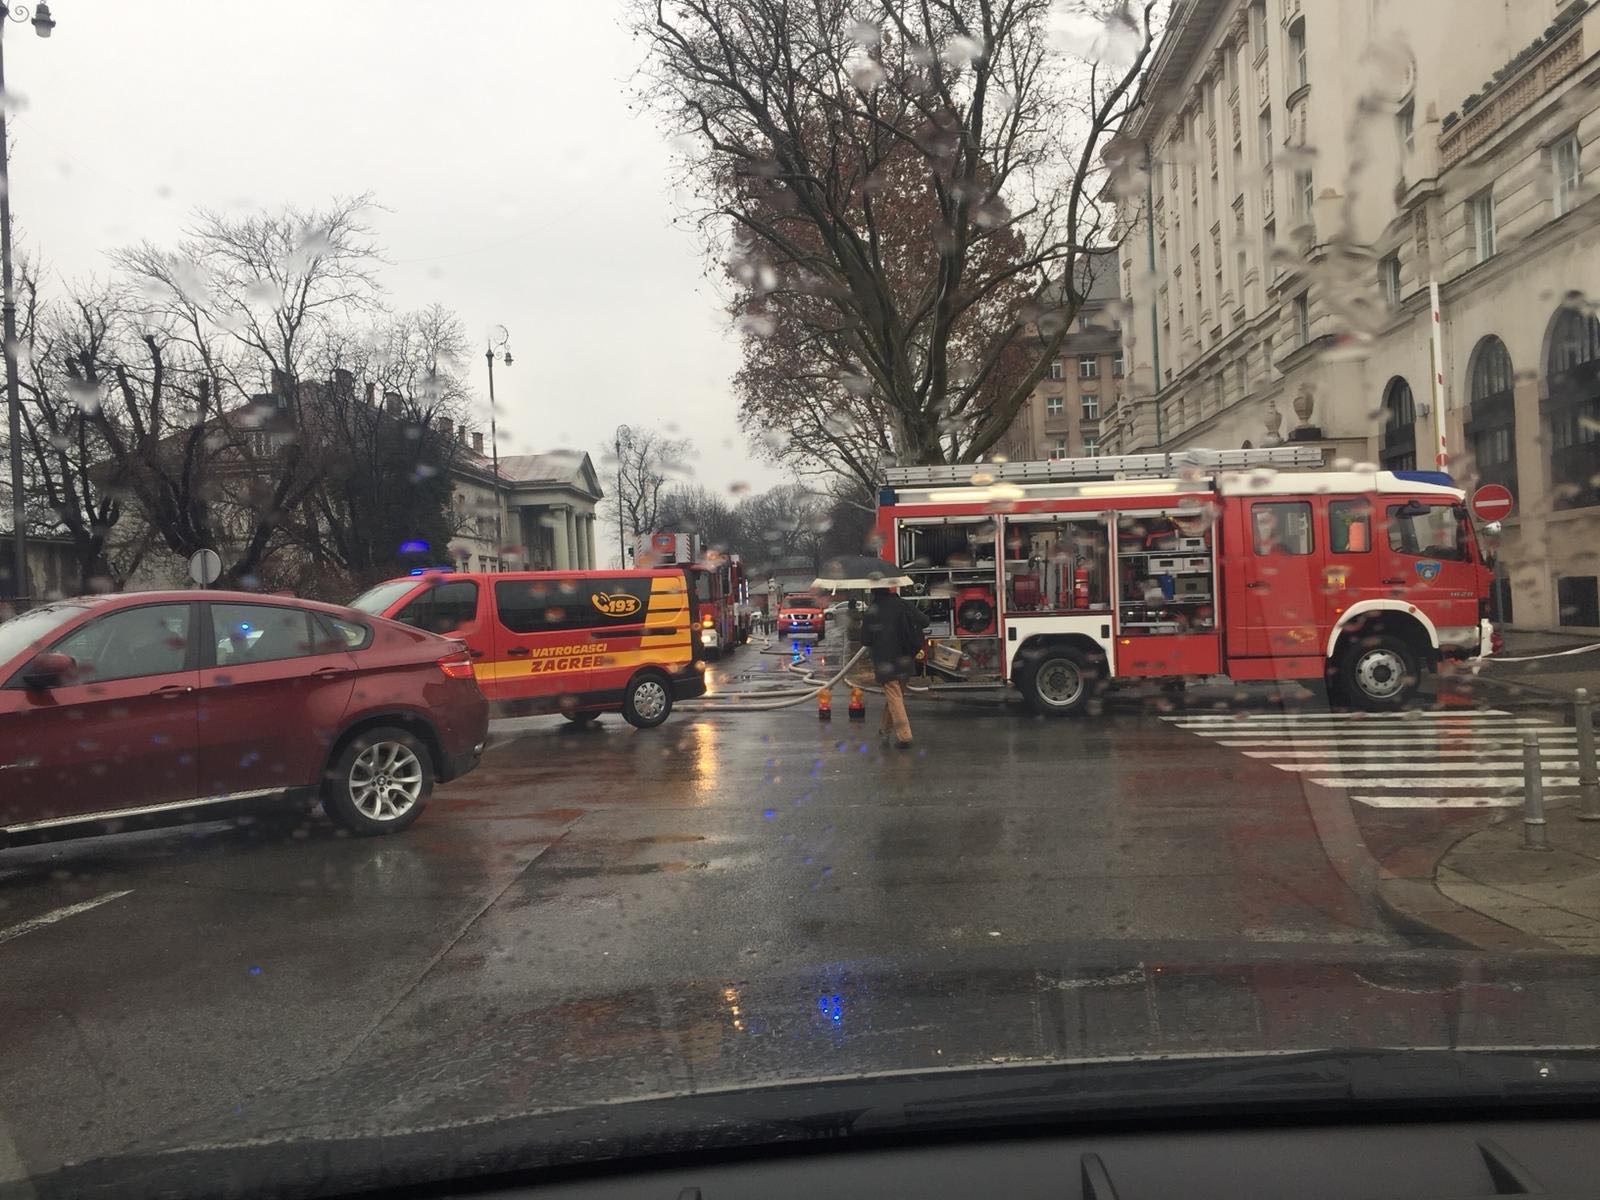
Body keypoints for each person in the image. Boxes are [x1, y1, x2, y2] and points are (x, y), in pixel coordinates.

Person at [862, 587, 929, 750]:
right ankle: (884, 729)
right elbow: (924, 621)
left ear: (874, 593)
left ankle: (905, 736)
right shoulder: (903, 604)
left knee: (894, 696)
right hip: (905, 659)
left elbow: (865, 639)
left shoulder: (872, 611)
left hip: (885, 662)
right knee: (895, 696)